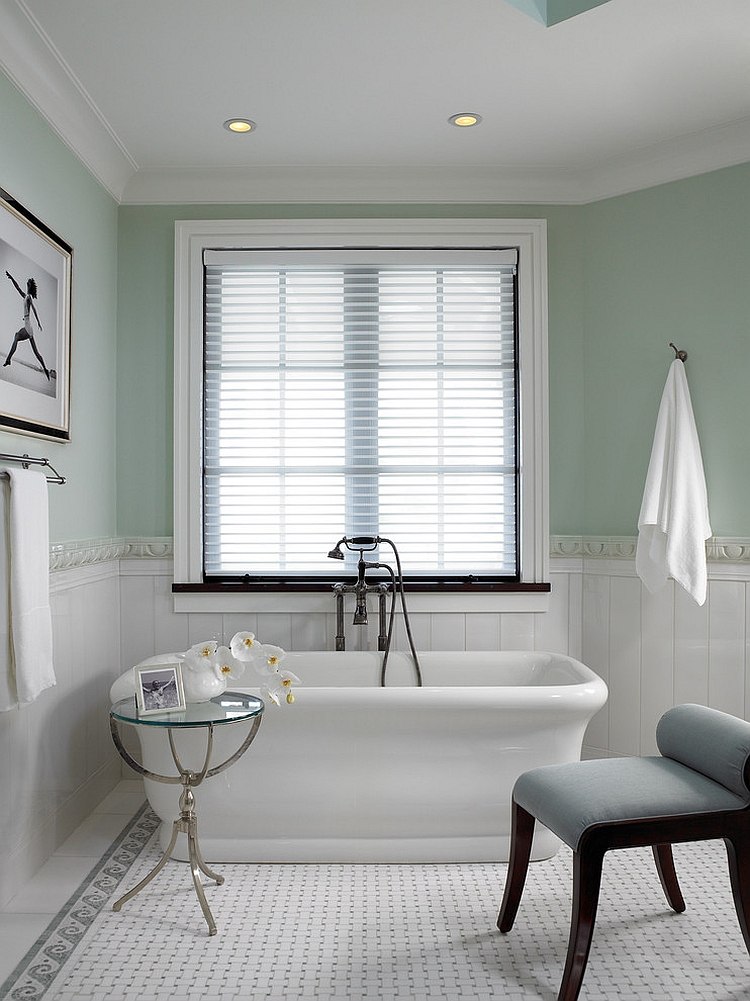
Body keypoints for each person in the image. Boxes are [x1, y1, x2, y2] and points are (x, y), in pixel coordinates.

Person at [3, 271, 50, 380]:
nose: (27, 284)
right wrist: (11, 278)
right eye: (27, 283)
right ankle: (45, 369)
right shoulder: (25, 296)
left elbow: (34, 309)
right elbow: (17, 288)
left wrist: (38, 322)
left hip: (28, 327)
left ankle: (8, 359)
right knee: (36, 353)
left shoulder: (29, 297)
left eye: (28, 284)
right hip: (29, 327)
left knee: (16, 336)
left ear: (30, 286)